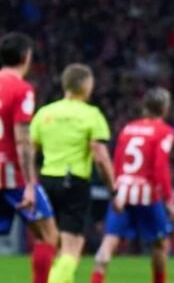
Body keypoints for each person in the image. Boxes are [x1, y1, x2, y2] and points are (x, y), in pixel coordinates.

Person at [30, 64, 115, 283]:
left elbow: (29, 150)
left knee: (45, 240)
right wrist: (112, 187)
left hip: (46, 181)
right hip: (74, 182)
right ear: (87, 85)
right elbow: (100, 156)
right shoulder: (91, 114)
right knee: (71, 247)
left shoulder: (45, 113)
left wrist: (30, 182)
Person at [91, 87, 174, 283]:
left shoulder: (128, 129)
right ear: (165, 108)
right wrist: (170, 200)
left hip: (122, 192)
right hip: (148, 194)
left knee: (108, 242)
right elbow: (160, 167)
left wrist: (115, 191)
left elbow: (117, 161)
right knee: (159, 244)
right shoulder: (165, 131)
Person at [0, 32, 58, 283]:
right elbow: (22, 140)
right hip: (12, 175)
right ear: (26, 57)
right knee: (48, 236)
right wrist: (30, 186)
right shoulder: (22, 89)